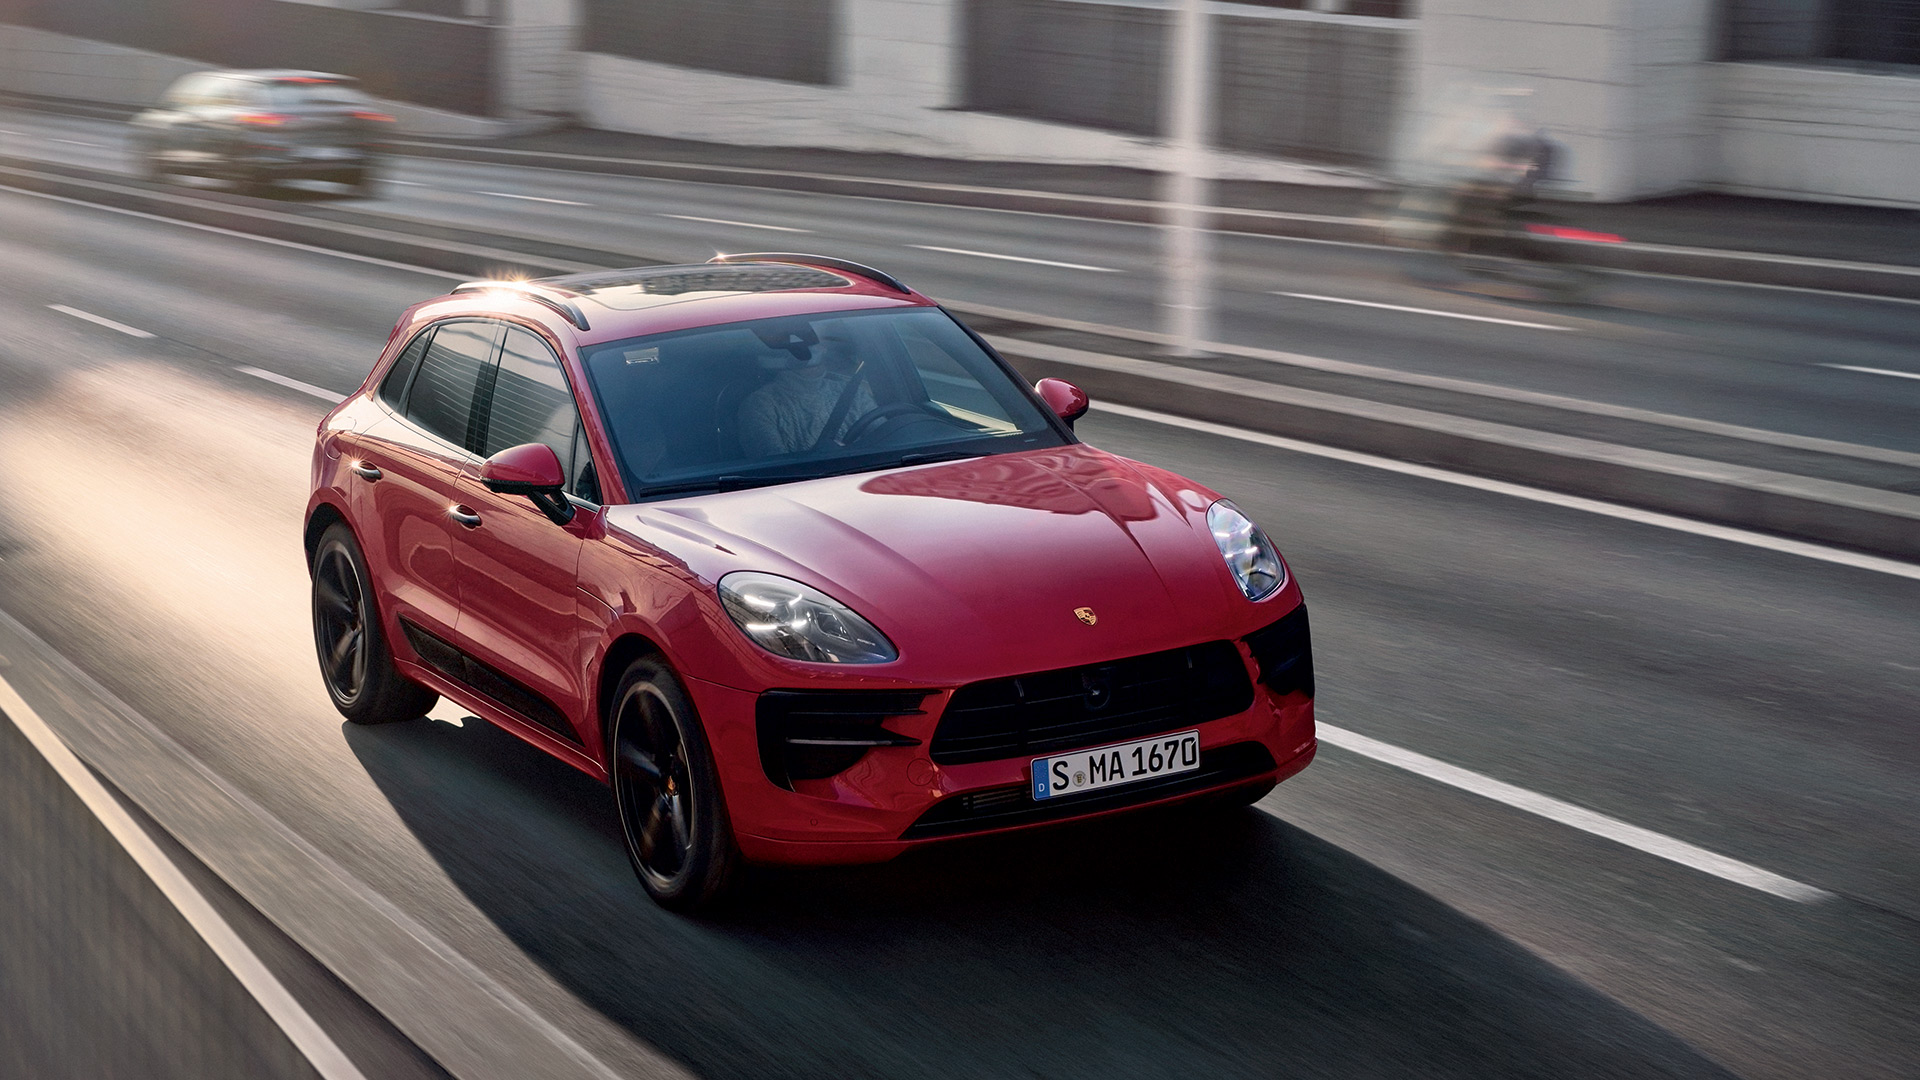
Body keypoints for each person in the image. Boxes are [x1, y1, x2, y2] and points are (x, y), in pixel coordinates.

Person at [737, 321, 876, 457]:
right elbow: (775, 465)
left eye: (823, 345)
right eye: (812, 346)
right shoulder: (760, 405)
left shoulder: (852, 392)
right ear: (786, 356)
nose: (823, 350)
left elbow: (884, 435)